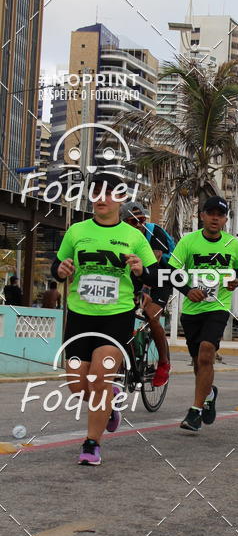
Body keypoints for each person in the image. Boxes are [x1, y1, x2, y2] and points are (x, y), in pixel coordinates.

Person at [51, 173, 159, 465]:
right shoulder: (76, 231)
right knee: (77, 387)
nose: (101, 198)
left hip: (116, 317)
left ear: (121, 199)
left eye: (109, 193)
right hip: (79, 317)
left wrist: (139, 270)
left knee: (98, 379)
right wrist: (60, 270)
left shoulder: (134, 236)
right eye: (96, 192)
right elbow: (56, 266)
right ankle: (110, 400)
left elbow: (154, 276)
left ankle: (91, 444)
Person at [168, 196, 238, 433]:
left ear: (224, 219)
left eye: (220, 215)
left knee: (206, 353)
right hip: (192, 310)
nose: (215, 218)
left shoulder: (232, 244)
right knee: (198, 363)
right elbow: (172, 270)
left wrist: (236, 281)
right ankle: (209, 393)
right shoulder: (188, 242)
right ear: (202, 216)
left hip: (218, 307)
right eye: (210, 213)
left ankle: (195, 411)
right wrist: (187, 290)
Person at [121, 202, 173, 387]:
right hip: (136, 277)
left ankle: (164, 363)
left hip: (161, 278)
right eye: (132, 222)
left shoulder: (154, 232)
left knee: (151, 315)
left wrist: (143, 292)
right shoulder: (121, 237)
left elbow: (154, 263)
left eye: (141, 220)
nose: (138, 226)